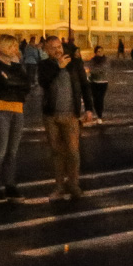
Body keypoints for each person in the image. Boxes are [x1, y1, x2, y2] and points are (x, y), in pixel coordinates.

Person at [37, 36, 93, 201]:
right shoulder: (45, 65)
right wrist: (58, 68)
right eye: (52, 47)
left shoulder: (74, 64)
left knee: (73, 152)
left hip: (71, 115)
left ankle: (74, 184)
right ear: (46, 51)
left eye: (59, 46)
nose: (57, 50)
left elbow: (84, 85)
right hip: (51, 116)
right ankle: (59, 186)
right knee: (56, 152)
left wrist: (89, 108)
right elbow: (44, 83)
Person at [0, 35, 32, 202]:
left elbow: (27, 85)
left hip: (18, 109)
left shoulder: (18, 66)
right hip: (0, 109)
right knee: (0, 151)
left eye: (16, 47)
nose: (15, 50)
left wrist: (12, 81)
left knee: (13, 151)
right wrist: (13, 82)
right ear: (3, 47)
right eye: (12, 47)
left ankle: (10, 185)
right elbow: (2, 83)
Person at [85, 45, 110, 121]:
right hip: (94, 82)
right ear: (95, 52)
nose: (100, 53)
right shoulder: (92, 60)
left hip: (103, 82)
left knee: (100, 99)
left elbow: (106, 69)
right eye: (98, 51)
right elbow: (92, 70)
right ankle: (97, 113)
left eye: (101, 51)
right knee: (95, 99)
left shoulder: (106, 60)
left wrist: (96, 70)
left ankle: (99, 115)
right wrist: (98, 71)